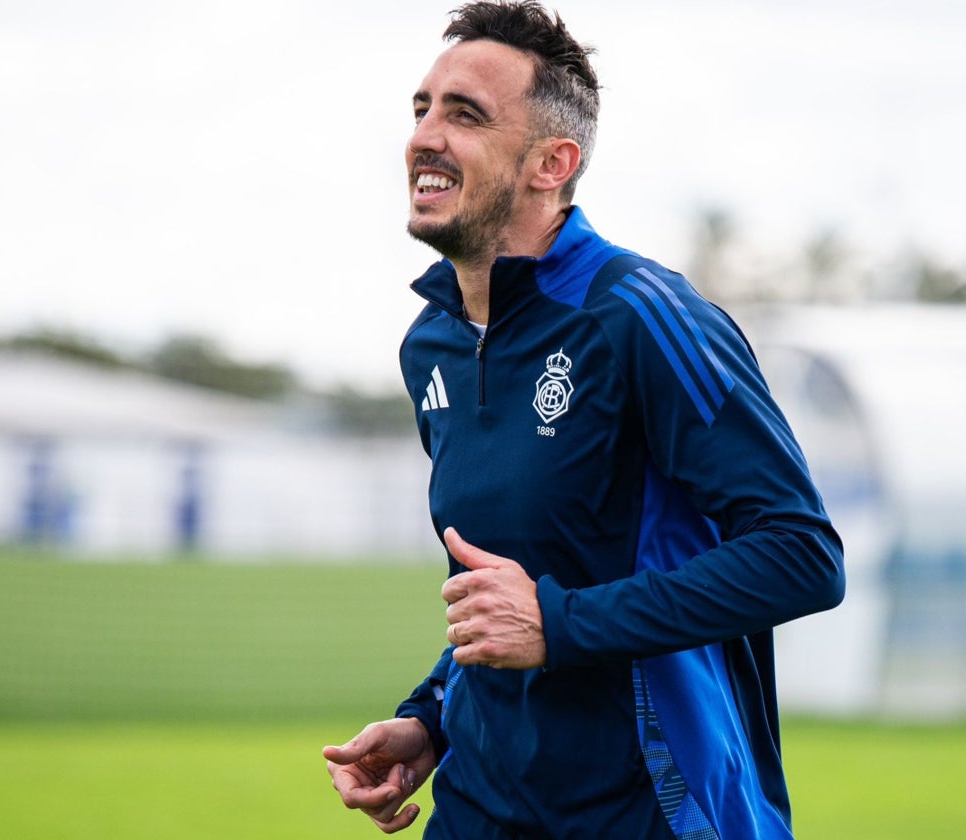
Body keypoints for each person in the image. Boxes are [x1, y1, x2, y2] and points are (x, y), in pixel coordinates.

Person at [323, 2, 845, 837]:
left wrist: (560, 625)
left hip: (647, 809)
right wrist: (429, 718)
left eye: (465, 114)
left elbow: (802, 556)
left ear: (551, 162)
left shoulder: (641, 316)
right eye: (421, 108)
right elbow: (512, 587)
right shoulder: (432, 345)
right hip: (479, 807)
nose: (425, 135)